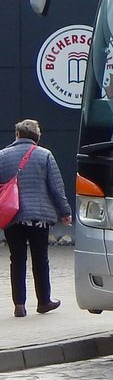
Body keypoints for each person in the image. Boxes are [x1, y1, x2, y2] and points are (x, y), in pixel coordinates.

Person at [1, 119, 72, 316]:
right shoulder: (45, 155)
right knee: (40, 259)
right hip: (39, 218)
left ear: (17, 135)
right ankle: (43, 302)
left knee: (17, 259)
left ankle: (19, 305)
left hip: (13, 216)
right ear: (37, 137)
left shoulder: (2, 156)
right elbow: (56, 188)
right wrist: (65, 212)